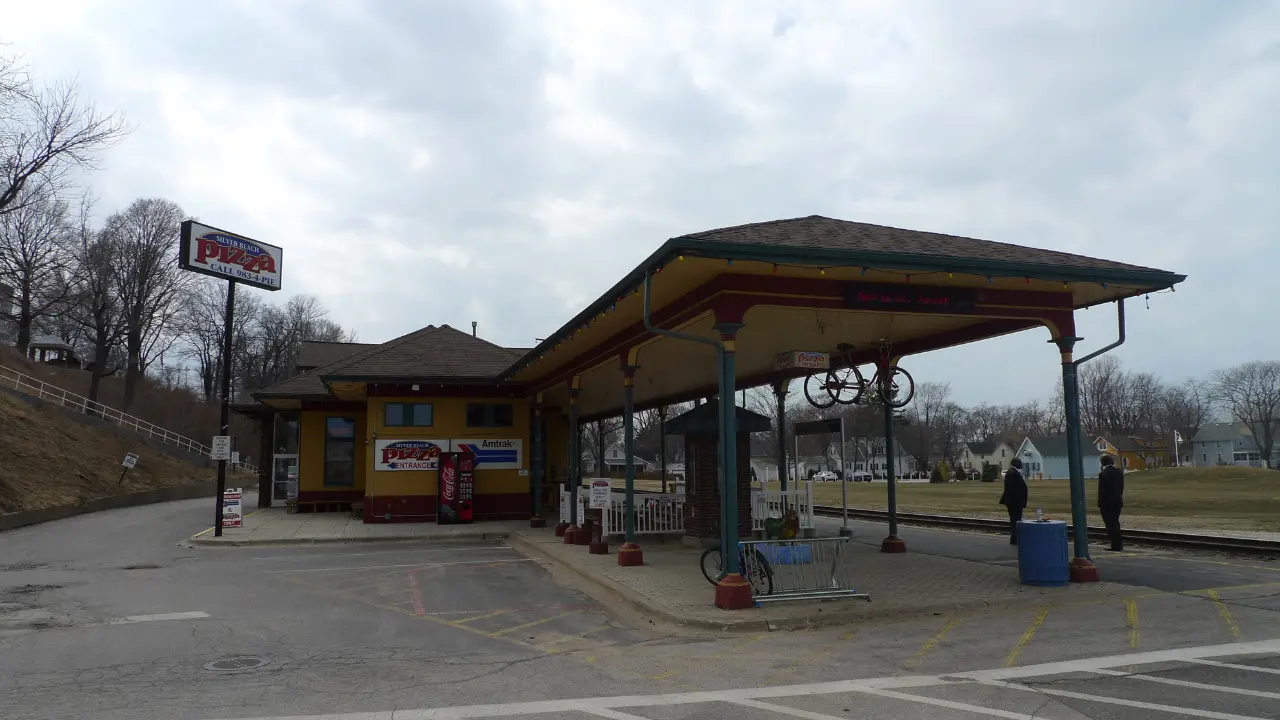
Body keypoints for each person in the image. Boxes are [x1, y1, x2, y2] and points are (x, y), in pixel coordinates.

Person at [1098, 454, 1125, 551]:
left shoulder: (1103, 474)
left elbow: (1102, 491)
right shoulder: (1119, 472)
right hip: (1117, 501)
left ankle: (1115, 545)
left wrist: (1100, 503)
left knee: (1110, 524)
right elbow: (1121, 487)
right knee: (1115, 523)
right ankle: (1118, 544)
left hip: (1106, 503)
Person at [999, 457, 1028, 545]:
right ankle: (1015, 539)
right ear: (1016, 463)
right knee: (1015, 520)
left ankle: (1015, 538)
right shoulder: (1013, 474)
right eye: (1020, 463)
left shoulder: (1012, 473)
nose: (1021, 464)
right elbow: (1014, 489)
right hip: (1014, 502)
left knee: (1015, 520)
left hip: (1013, 501)